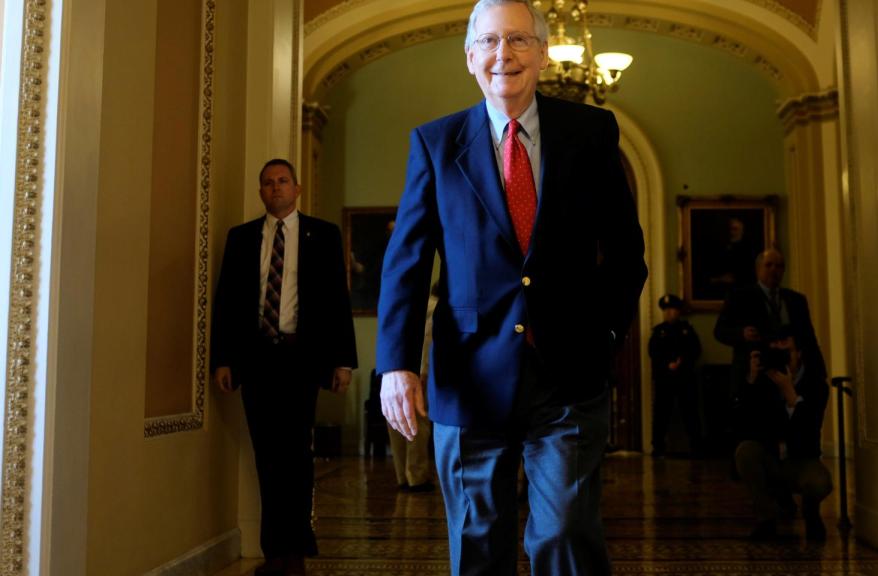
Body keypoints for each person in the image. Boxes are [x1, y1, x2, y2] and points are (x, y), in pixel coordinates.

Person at [374, 1, 648, 573]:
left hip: (569, 375)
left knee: (566, 534)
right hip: (468, 378)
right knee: (478, 540)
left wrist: (607, 333)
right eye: (492, 42)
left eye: (520, 41)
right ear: (470, 56)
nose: (506, 55)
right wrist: (396, 365)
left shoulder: (591, 132)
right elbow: (407, 262)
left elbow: (625, 253)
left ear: (544, 54)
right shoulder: (435, 143)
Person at [211, 159, 357, 576]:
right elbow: (225, 303)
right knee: (266, 455)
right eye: (268, 183)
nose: (275, 188)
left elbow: (336, 301)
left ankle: (294, 546)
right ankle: (274, 549)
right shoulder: (241, 239)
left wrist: (342, 362)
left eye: (282, 181)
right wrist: (224, 359)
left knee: (297, 454)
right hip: (257, 359)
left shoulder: (323, 235)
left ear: (297, 189)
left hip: (302, 359)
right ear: (261, 192)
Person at [731, 331, 832, 541]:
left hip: (802, 459)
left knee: (819, 481)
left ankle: (811, 513)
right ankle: (766, 519)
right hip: (771, 457)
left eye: (785, 351)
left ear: (799, 354)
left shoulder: (816, 384)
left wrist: (791, 395)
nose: (779, 356)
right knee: (746, 451)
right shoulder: (763, 381)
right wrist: (751, 379)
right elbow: (743, 424)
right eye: (773, 350)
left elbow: (809, 430)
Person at [713, 248, 825, 400]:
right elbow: (719, 331)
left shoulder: (796, 300)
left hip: (792, 376)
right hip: (755, 376)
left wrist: (819, 374)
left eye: (779, 266)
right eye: (769, 265)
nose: (774, 269)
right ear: (758, 269)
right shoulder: (739, 297)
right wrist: (741, 333)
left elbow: (809, 338)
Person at [386, 284, 438, 492]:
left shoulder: (407, 305)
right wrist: (424, 372)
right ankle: (416, 476)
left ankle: (402, 475)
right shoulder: (435, 309)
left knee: (397, 421)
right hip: (418, 374)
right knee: (418, 424)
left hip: (394, 371)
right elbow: (428, 342)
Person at [648, 294, 701, 458]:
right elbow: (653, 353)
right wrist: (666, 365)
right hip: (665, 379)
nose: (670, 313)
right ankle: (658, 447)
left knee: (690, 413)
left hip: (685, 378)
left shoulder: (687, 330)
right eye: (667, 310)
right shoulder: (658, 332)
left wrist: (682, 362)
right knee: (661, 414)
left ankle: (696, 446)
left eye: (673, 310)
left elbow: (695, 350)